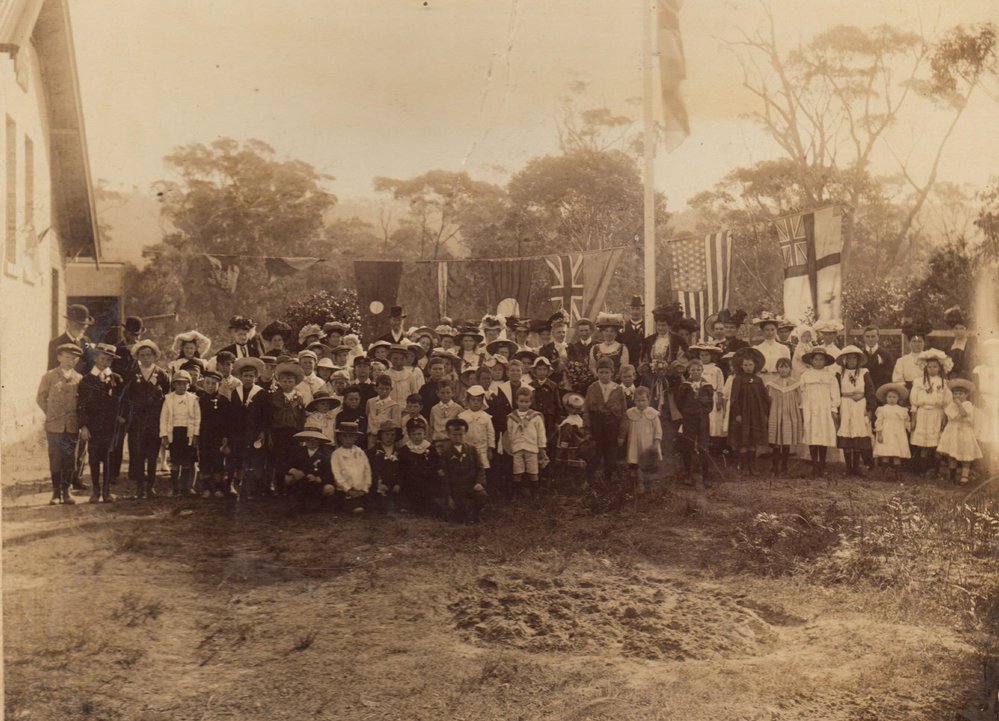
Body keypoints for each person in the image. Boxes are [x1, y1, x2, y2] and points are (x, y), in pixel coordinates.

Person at [76, 344, 125, 503]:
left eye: (109, 360)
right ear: (95, 358)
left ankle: (107, 491)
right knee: (94, 458)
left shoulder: (116, 379)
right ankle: (95, 491)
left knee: (109, 457)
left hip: (111, 427)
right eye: (103, 358)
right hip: (94, 427)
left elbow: (122, 402)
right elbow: (81, 405)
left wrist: (121, 418)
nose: (105, 362)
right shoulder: (86, 380)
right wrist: (83, 426)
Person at [121, 339, 170, 499]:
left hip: (155, 420)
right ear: (137, 356)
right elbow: (125, 396)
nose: (146, 357)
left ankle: (151, 486)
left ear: (154, 356)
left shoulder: (161, 374)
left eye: (149, 354)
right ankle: (139, 487)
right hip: (137, 421)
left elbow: (167, 397)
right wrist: (125, 416)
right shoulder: (132, 373)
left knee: (152, 454)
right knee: (138, 454)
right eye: (142, 355)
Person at [37, 343, 84, 504]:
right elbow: (41, 398)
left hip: (71, 425)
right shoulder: (49, 377)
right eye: (66, 357)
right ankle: (56, 493)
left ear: (76, 361)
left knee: (69, 457)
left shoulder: (79, 378)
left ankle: (67, 491)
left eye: (73, 358)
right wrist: (51, 414)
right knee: (55, 458)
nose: (69, 361)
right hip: (54, 426)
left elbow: (82, 403)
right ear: (59, 358)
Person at [227, 356, 269, 500]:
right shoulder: (235, 392)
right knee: (237, 459)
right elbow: (231, 415)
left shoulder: (261, 393)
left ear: (256, 377)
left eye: (251, 376)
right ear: (240, 376)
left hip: (254, 432)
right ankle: (237, 487)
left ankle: (252, 489)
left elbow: (265, 415)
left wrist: (262, 432)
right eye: (245, 376)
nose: (248, 379)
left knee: (254, 460)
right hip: (238, 433)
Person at [583, 357, 627, 485]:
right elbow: (586, 410)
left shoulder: (618, 389)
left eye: (607, 372)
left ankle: (609, 480)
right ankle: (589, 479)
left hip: (612, 426)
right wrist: (587, 430)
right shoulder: (592, 387)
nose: (604, 375)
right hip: (597, 425)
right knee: (594, 453)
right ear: (597, 372)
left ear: (612, 373)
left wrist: (621, 435)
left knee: (611, 453)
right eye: (601, 372)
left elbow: (623, 413)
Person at [726, 347, 769, 476]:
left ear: (755, 366)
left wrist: (765, 414)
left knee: (753, 440)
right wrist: (737, 414)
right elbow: (734, 398)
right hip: (743, 414)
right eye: (745, 365)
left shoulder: (758, 380)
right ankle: (744, 466)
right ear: (741, 366)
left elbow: (764, 398)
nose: (748, 367)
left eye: (750, 364)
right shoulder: (738, 379)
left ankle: (752, 466)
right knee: (743, 439)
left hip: (756, 414)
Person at [909, 349, 952, 477]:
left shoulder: (944, 383)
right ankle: (922, 469)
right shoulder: (918, 381)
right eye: (929, 367)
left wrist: (945, 417)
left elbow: (947, 402)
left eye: (935, 367)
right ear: (925, 368)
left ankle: (935, 470)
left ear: (940, 368)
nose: (932, 369)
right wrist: (914, 418)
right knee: (923, 444)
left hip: (937, 413)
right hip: (922, 413)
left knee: (936, 442)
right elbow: (914, 402)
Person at [268, 359, 307, 496]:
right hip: (278, 432)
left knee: (293, 458)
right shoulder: (274, 397)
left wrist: (302, 433)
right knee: (279, 459)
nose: (287, 383)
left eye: (290, 381)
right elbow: (270, 416)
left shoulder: (299, 397)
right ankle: (279, 487)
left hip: (294, 432)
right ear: (279, 381)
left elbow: (302, 416)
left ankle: (291, 487)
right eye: (284, 381)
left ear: (295, 383)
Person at [159, 370, 201, 496]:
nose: (181, 386)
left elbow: (197, 418)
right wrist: (164, 435)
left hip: (188, 433)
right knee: (175, 462)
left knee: (187, 462)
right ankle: (175, 488)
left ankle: (186, 488)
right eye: (178, 384)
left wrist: (195, 435)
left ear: (189, 385)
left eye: (184, 384)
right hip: (174, 433)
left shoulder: (193, 399)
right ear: (174, 385)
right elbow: (163, 418)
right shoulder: (168, 398)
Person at [836, 346, 876, 476]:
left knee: (858, 433)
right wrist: (836, 408)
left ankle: (856, 466)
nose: (852, 361)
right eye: (849, 358)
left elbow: (870, 391)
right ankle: (848, 467)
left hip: (860, 405)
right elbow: (836, 391)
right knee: (847, 432)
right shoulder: (839, 373)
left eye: (854, 358)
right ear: (844, 360)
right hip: (846, 404)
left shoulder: (864, 372)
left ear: (858, 360)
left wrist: (869, 409)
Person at [799, 348, 840, 477]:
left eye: (821, 359)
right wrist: (802, 408)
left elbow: (835, 394)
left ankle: (822, 465)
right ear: (811, 361)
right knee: (812, 436)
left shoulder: (830, 375)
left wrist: (834, 408)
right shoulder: (806, 375)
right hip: (810, 408)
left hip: (825, 409)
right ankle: (814, 465)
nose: (818, 362)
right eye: (816, 359)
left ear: (825, 361)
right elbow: (802, 393)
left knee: (823, 436)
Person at [438, 417, 487, 523]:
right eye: (454, 435)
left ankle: (476, 514)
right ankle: (461, 513)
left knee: (481, 495)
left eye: (461, 434)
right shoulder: (446, 452)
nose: (458, 438)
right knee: (459, 512)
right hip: (456, 488)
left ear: (465, 433)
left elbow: (480, 468)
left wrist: (480, 483)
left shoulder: (472, 449)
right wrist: (449, 495)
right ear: (448, 434)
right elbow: (445, 475)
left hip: (471, 486)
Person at [674, 360, 714, 487]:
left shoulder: (707, 386)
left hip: (702, 419)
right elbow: (679, 402)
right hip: (689, 418)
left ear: (702, 371)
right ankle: (687, 474)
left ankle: (706, 476)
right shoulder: (684, 386)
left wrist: (702, 410)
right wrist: (688, 411)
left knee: (704, 446)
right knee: (688, 445)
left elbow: (710, 404)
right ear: (689, 371)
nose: (695, 372)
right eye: (693, 370)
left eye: (698, 369)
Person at [504, 386, 548, 498]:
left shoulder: (536, 416)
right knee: (517, 471)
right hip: (517, 448)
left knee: (533, 471)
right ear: (516, 401)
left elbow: (541, 433)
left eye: (526, 401)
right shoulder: (511, 417)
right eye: (521, 401)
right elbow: (509, 433)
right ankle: (516, 492)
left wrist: (541, 447)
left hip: (532, 447)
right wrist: (511, 447)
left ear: (531, 402)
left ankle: (535, 492)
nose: (523, 404)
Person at [617, 386, 662, 493]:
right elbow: (624, 427)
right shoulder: (630, 413)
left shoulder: (653, 414)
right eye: (638, 400)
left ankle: (649, 485)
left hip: (648, 443)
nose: (640, 403)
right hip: (634, 442)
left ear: (648, 400)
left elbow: (658, 430)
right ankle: (637, 483)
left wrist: (656, 443)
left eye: (643, 400)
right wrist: (622, 438)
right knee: (634, 462)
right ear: (634, 400)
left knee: (647, 463)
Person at [938, 379, 982, 485]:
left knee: (966, 454)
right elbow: (951, 417)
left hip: (964, 431)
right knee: (952, 453)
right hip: (953, 431)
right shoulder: (951, 405)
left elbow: (963, 415)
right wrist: (956, 405)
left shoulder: (968, 405)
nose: (958, 396)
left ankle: (964, 476)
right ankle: (952, 475)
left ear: (966, 395)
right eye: (955, 394)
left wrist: (959, 405)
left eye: (961, 394)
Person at [284, 427, 335, 511]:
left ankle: (321, 503)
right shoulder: (298, 452)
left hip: (317, 484)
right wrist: (293, 470)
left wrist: (319, 478)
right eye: (308, 440)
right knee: (289, 479)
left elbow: (329, 472)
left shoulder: (326, 454)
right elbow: (286, 464)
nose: (311, 442)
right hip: (301, 482)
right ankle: (298, 501)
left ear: (319, 441)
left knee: (328, 489)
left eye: (315, 440)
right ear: (304, 440)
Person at [197, 370, 231, 498]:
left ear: (219, 384)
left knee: (218, 462)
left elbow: (228, 421)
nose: (210, 386)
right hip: (204, 436)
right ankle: (206, 488)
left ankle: (218, 488)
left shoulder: (224, 401)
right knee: (204, 461)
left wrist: (226, 437)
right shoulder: (199, 400)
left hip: (218, 437)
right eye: (208, 383)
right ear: (203, 384)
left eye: (214, 383)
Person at [398, 418, 442, 516]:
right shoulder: (404, 450)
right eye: (413, 434)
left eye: (419, 434)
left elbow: (436, 465)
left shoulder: (430, 449)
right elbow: (401, 470)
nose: (417, 437)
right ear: (409, 435)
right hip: (410, 485)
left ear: (424, 434)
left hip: (427, 484)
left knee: (433, 507)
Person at [765, 358, 801, 476]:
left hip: (789, 414)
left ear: (790, 369)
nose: (783, 369)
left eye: (786, 367)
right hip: (776, 413)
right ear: (777, 369)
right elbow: (768, 400)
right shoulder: (771, 384)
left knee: (786, 440)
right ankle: (775, 466)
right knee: (776, 441)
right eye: (781, 367)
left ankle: (784, 465)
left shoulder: (795, 384)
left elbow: (799, 400)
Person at [330, 421, 371, 513]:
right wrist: (348, 489)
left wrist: (364, 488)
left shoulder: (360, 452)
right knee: (356, 508)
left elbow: (367, 471)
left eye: (351, 436)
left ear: (356, 438)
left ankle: (360, 501)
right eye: (345, 436)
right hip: (345, 490)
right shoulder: (336, 454)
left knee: (373, 507)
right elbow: (337, 475)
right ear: (340, 438)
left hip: (360, 490)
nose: (348, 439)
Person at [873, 383, 911, 479]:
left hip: (898, 434)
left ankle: (898, 474)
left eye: (894, 397)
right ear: (886, 398)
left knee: (897, 453)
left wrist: (909, 429)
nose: (891, 399)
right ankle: (884, 474)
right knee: (885, 452)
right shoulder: (882, 409)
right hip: (886, 433)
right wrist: (879, 433)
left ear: (898, 398)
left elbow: (906, 421)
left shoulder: (902, 410)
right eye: (889, 397)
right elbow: (879, 423)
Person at [973, 339, 999, 470]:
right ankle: (980, 465)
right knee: (981, 432)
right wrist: (981, 404)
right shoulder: (979, 369)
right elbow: (975, 389)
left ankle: (994, 466)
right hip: (982, 402)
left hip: (996, 402)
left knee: (994, 433)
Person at [368, 420, 403, 512]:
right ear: (381, 435)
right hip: (380, 486)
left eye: (392, 435)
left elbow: (403, 471)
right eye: (386, 434)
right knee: (380, 506)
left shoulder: (400, 453)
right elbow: (371, 472)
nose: (389, 438)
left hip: (395, 487)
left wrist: (398, 484)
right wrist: (378, 484)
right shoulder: (372, 452)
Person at [47, 303, 95, 372]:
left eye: (86, 324)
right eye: (80, 324)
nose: (85, 327)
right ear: (69, 323)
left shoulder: (86, 341)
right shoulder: (55, 343)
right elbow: (51, 371)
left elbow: (90, 364)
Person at [459, 385, 495, 472]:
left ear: (482, 401)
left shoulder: (486, 417)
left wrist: (490, 449)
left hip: (482, 448)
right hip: (467, 448)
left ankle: (482, 484)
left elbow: (490, 433)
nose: (475, 402)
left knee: (482, 468)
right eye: (473, 400)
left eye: (478, 400)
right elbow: (460, 433)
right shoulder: (462, 416)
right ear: (468, 401)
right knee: (468, 468)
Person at [752, 313, 791, 384]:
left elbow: (788, 368)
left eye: (772, 329)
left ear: (776, 330)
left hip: (778, 379)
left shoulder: (783, 348)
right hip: (762, 380)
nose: (770, 333)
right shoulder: (757, 349)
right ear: (762, 331)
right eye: (767, 330)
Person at [892, 322, 932, 389]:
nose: (917, 344)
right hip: (908, 390)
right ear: (909, 343)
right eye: (914, 341)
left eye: (920, 341)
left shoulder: (930, 358)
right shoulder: (901, 361)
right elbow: (898, 380)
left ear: (924, 343)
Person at [366, 374, 402, 449]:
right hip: (372, 437)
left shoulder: (394, 405)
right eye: (381, 389)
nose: (384, 391)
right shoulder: (370, 402)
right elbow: (367, 415)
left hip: (386, 438)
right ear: (376, 388)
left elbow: (396, 425)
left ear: (391, 389)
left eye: (387, 389)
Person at [944, 306, 974, 379]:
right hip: (951, 378)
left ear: (966, 330)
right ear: (953, 330)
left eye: (961, 329)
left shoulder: (972, 346)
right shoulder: (948, 346)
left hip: (967, 378)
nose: (959, 331)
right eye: (956, 329)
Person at [861, 326, 895, 390]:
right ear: (863, 338)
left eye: (873, 336)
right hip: (862, 390)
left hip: (880, 390)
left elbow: (888, 376)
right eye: (867, 336)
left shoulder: (886, 355)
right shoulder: (859, 354)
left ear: (878, 337)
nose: (870, 339)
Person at [619, 296, 645, 366]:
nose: (635, 312)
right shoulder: (623, 327)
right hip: (626, 364)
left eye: (637, 309)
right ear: (629, 310)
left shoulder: (647, 327)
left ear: (642, 310)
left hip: (642, 365)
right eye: (632, 309)